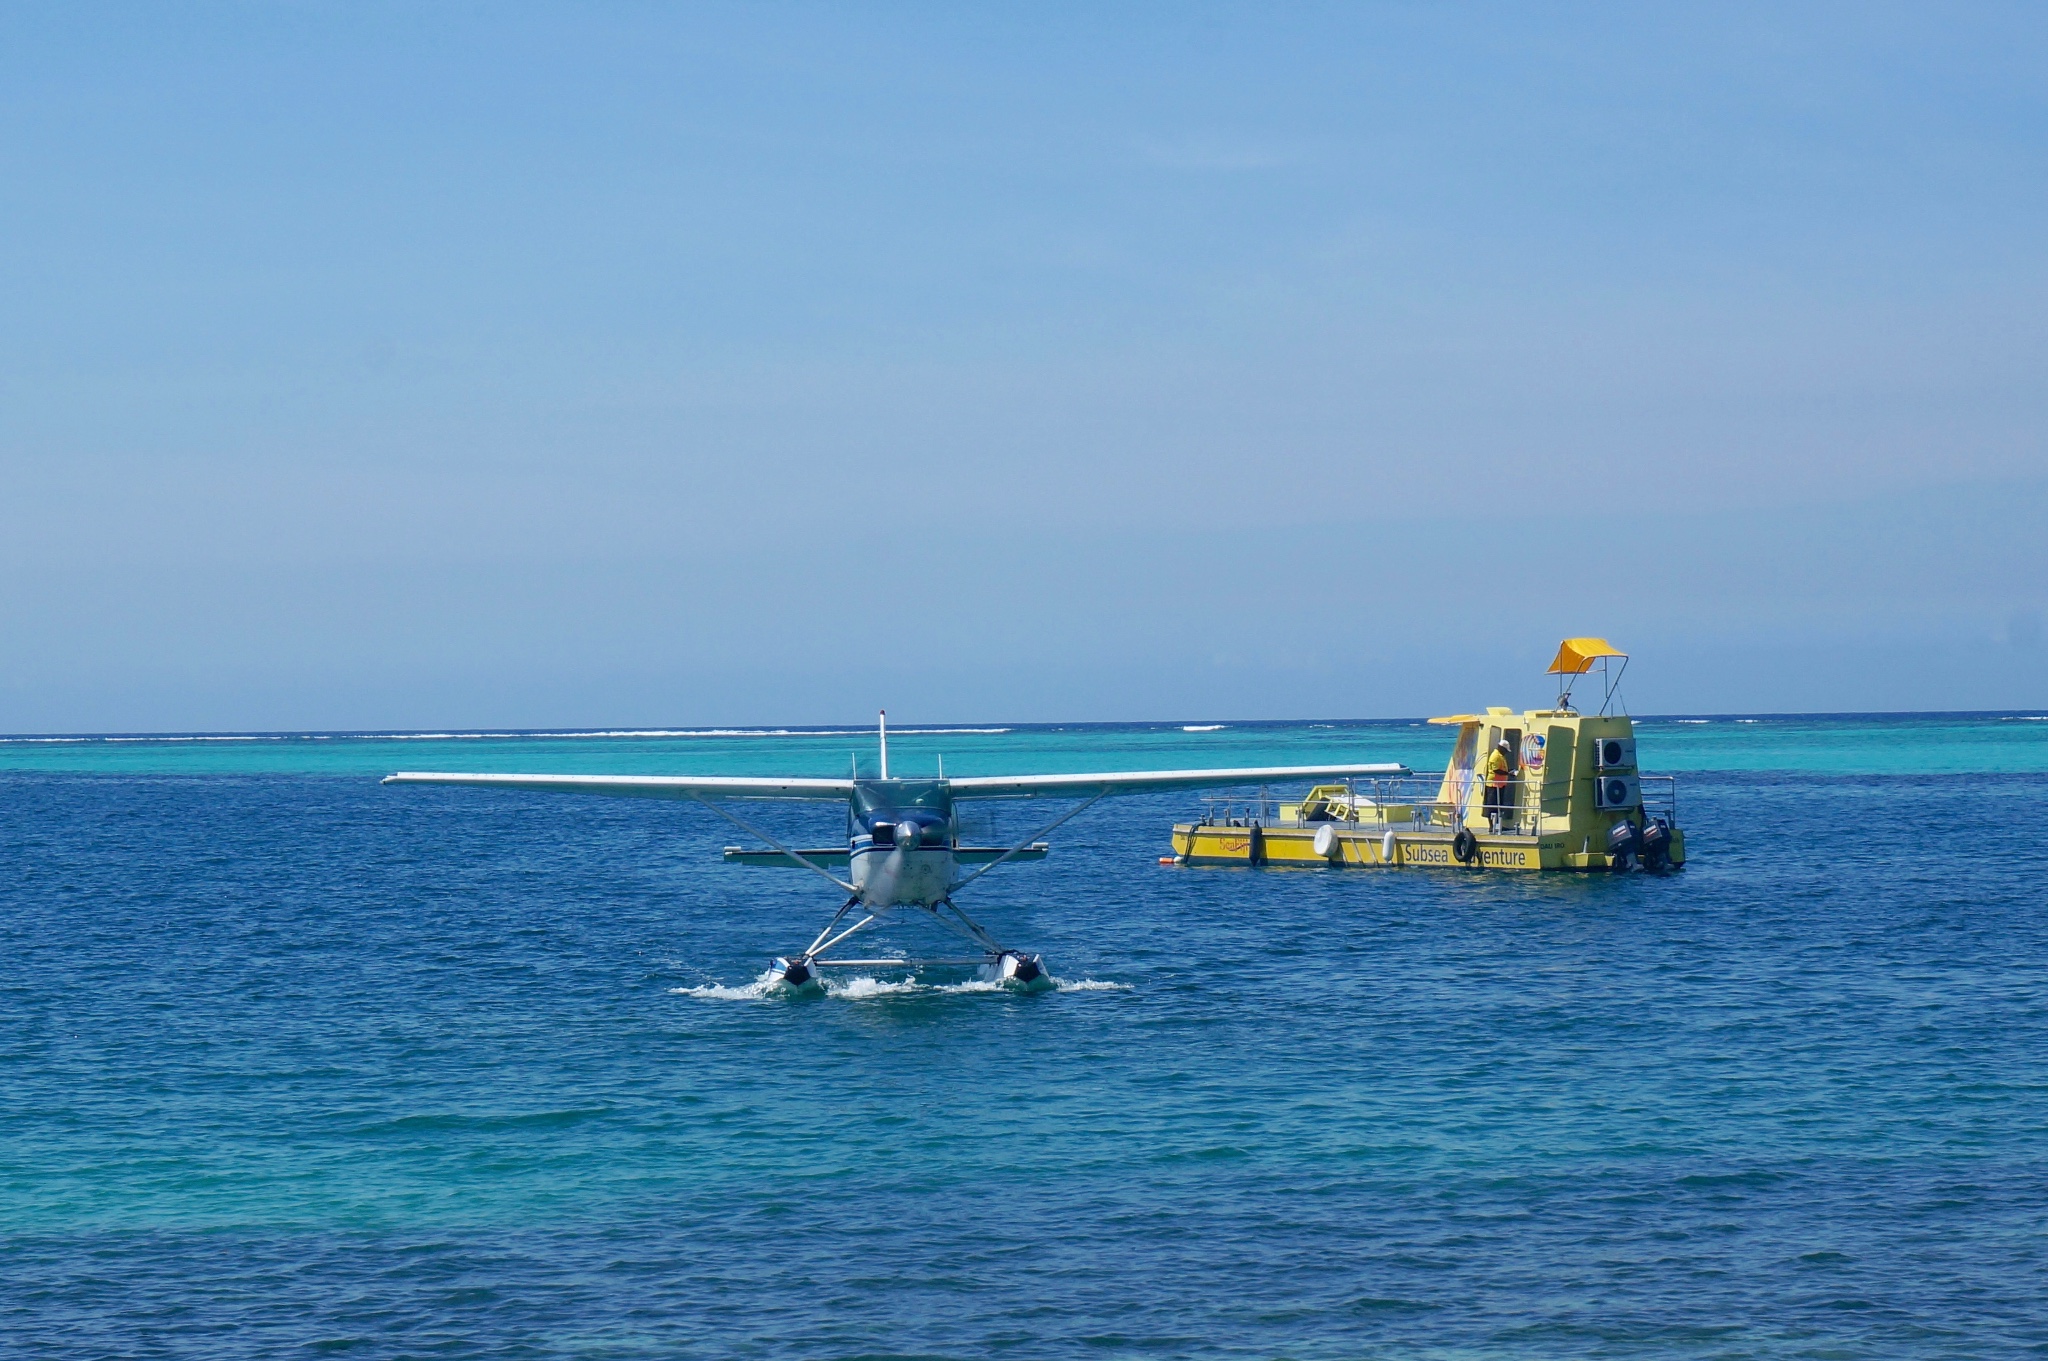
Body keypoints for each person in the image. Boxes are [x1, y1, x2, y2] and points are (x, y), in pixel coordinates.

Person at [1483, 739, 1514, 832]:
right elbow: (1496, 770)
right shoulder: (1495, 756)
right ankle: (1491, 826)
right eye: (1505, 750)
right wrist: (1508, 773)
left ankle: (1498, 825)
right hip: (1493, 785)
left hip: (1499, 785)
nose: (1506, 752)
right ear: (1501, 748)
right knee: (1491, 805)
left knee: (1498, 805)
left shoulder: (1500, 756)